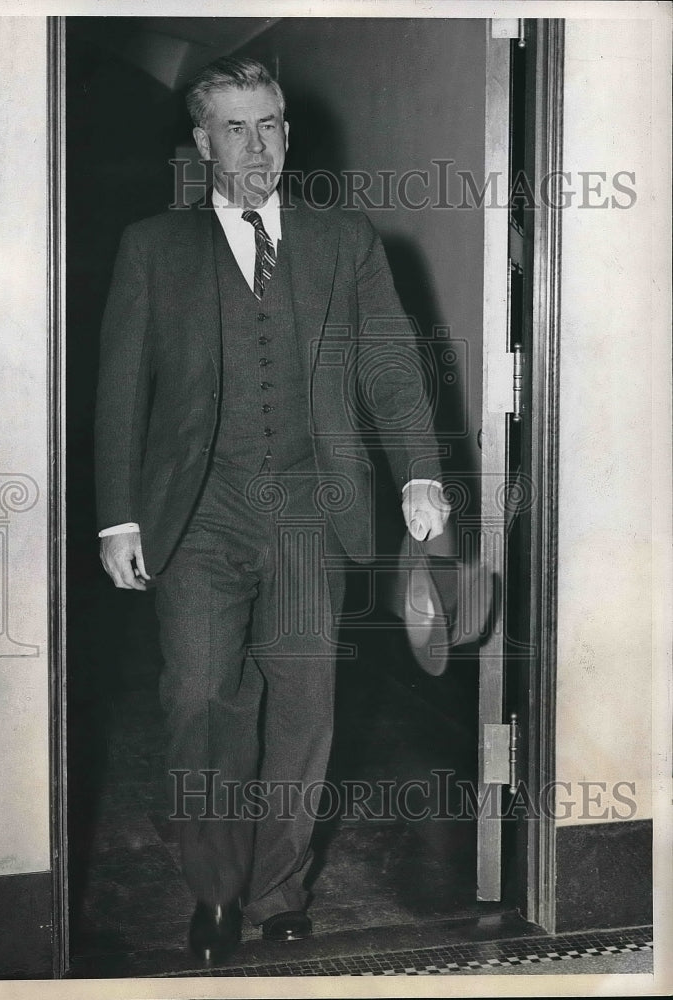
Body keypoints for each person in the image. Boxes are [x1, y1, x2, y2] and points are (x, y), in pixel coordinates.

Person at [94, 56, 450, 966]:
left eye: (271, 125)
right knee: (200, 699)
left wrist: (416, 470)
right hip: (198, 515)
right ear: (204, 143)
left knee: (302, 706)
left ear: (289, 133)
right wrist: (118, 515)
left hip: (306, 510)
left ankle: (282, 889)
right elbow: (121, 391)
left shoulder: (345, 240)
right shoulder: (152, 248)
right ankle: (214, 891)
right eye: (236, 128)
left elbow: (390, 361)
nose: (257, 145)